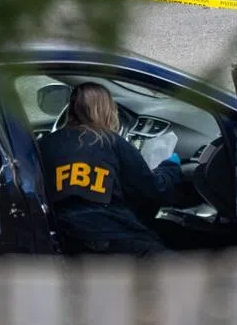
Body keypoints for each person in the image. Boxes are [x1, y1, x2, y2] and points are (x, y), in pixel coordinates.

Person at [38, 82, 182, 257]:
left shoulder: (45, 145)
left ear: (71, 109)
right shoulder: (111, 142)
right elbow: (154, 189)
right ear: (106, 109)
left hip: (66, 238)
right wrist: (171, 166)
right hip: (110, 235)